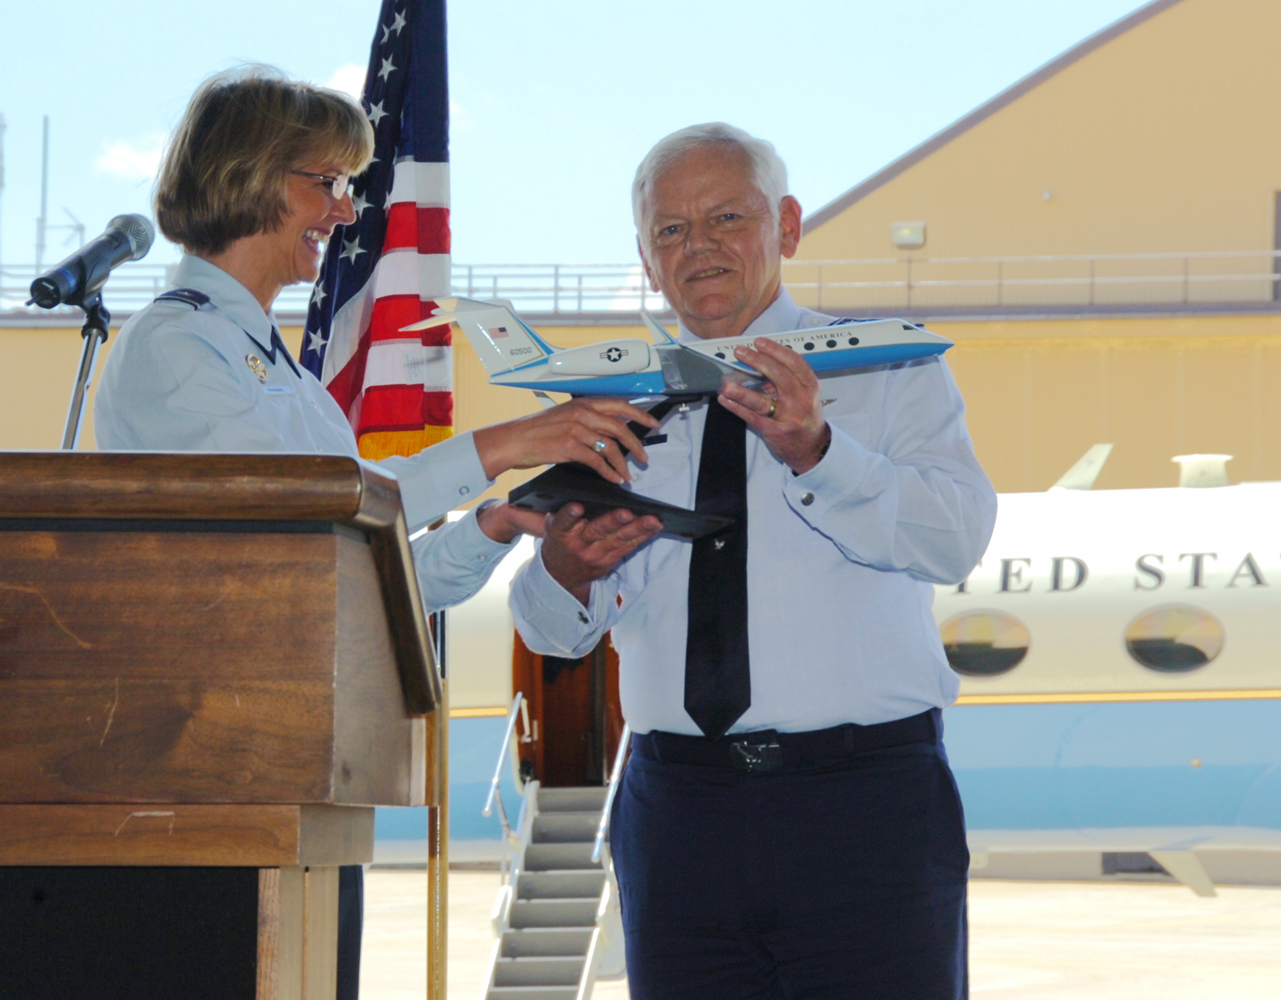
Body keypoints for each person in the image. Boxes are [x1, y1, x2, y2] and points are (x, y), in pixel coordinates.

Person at [91, 68, 657, 1000]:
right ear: (255, 175)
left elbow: (357, 570)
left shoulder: (283, 375)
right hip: (224, 772)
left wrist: (488, 523)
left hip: (306, 778)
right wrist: (503, 442)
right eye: (329, 183)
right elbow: (309, 520)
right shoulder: (173, 347)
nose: (347, 213)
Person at [509, 123, 997, 999]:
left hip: (865, 807)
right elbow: (553, 633)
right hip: (678, 816)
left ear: (789, 226)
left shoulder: (888, 369)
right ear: (646, 258)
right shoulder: (612, 400)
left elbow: (954, 540)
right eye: (670, 230)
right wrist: (566, 573)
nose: (698, 246)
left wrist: (820, 451)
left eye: (727, 216)